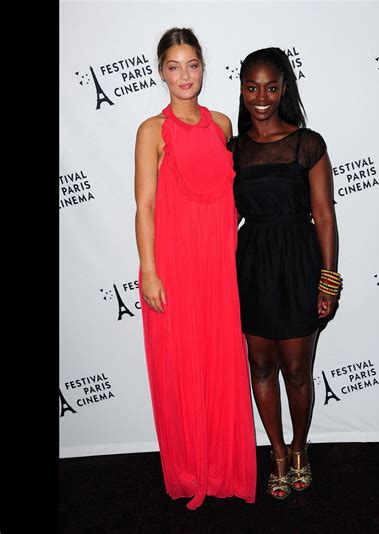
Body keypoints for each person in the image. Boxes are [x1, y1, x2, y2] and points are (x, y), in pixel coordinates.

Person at [134, 27, 256, 510]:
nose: (184, 75)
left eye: (192, 65)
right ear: (161, 72)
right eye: (173, 66)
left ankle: (225, 469)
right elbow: (144, 206)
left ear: (204, 67)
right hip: (176, 266)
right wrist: (149, 270)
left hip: (219, 267)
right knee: (180, 366)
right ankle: (191, 472)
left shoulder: (224, 124)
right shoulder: (151, 130)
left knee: (222, 361)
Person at [228, 47, 341, 500]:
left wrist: (328, 280)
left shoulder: (307, 143)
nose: (261, 97)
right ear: (241, 88)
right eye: (252, 87)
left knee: (296, 370)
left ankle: (299, 449)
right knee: (260, 367)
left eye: (271, 87)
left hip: (298, 262)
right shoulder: (233, 149)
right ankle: (275, 454)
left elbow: (325, 216)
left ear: (284, 88)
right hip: (251, 265)